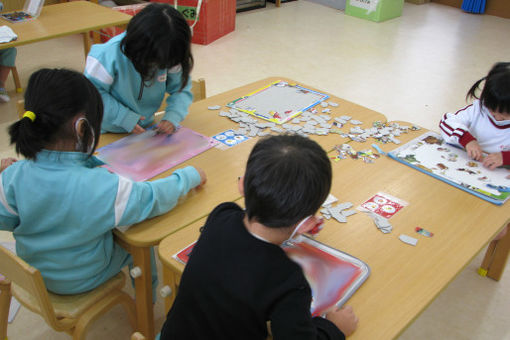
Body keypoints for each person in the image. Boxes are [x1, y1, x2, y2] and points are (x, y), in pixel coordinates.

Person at [0, 68, 206, 297]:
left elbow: (5, 219)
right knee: (140, 241)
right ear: (81, 128)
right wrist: (188, 176)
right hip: (83, 277)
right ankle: (148, 298)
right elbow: (151, 199)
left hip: (34, 273)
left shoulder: (14, 175)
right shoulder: (98, 185)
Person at [160, 135, 358, 340]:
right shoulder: (288, 280)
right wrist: (334, 329)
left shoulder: (222, 214)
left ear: (242, 185)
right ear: (306, 223)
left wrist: (295, 221)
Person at [84, 3, 193, 135]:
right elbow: (91, 96)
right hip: (106, 131)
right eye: (154, 62)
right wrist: (124, 117)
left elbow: (180, 88)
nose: (157, 67)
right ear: (138, 48)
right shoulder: (107, 55)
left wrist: (173, 116)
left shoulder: (171, 51)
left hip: (145, 128)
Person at [439, 62, 510, 239]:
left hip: (499, 181)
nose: (496, 116)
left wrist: (506, 157)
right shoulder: (479, 108)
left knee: (496, 231)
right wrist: (467, 140)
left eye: (504, 114)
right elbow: (447, 121)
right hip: (468, 172)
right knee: (439, 199)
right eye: (492, 109)